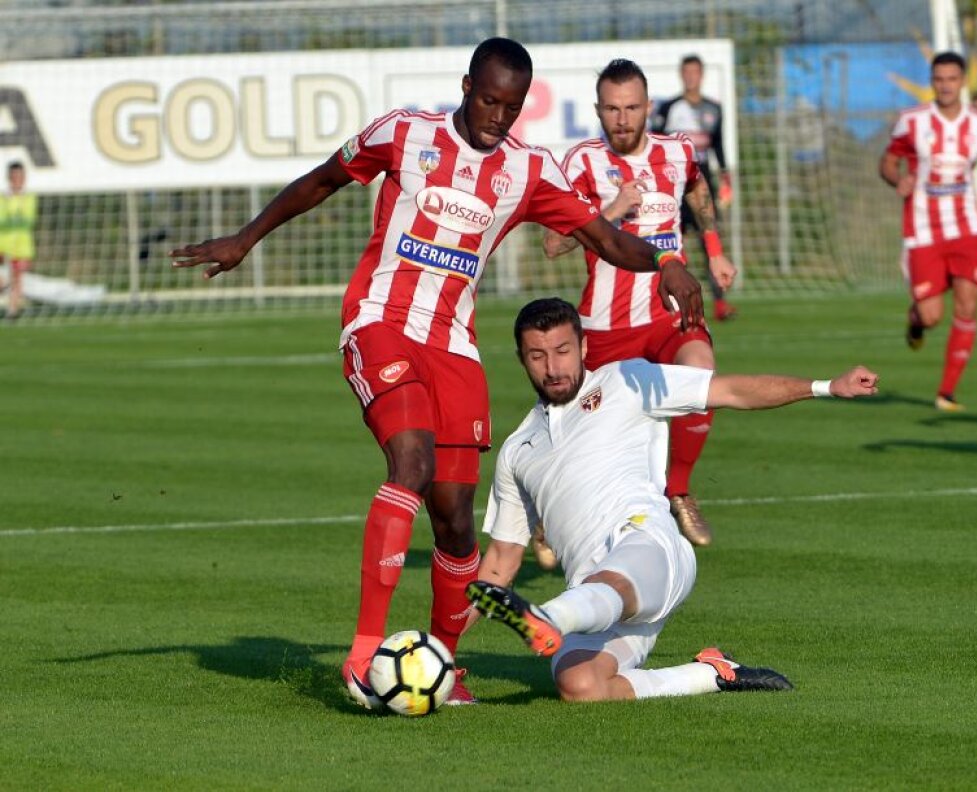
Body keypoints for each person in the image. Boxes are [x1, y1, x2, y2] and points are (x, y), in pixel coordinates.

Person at [170, 37, 704, 711]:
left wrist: (664, 262)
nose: (497, 116)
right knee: (411, 463)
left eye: (511, 107)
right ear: (465, 85)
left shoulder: (527, 170)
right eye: (487, 100)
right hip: (380, 321)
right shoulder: (404, 134)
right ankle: (364, 655)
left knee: (455, 519)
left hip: (453, 344)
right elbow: (322, 180)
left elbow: (603, 236)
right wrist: (245, 237)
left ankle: (447, 671)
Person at [465, 297, 879, 702]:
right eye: (537, 355)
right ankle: (711, 674)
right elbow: (501, 563)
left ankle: (550, 617)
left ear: (584, 347)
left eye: (562, 351)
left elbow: (731, 391)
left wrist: (826, 386)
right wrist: (444, 646)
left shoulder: (626, 380)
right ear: (521, 359)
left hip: (650, 550)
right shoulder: (517, 450)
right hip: (592, 598)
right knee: (581, 686)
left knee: (607, 583)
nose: (553, 367)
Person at [543, 59, 736, 548]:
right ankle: (543, 510)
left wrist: (714, 253)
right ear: (598, 109)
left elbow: (696, 187)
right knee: (574, 433)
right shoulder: (582, 162)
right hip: (606, 323)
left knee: (701, 377)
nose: (623, 119)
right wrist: (610, 212)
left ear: (649, 106)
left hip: (668, 314)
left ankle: (680, 490)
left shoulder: (677, 151)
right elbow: (553, 244)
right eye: (612, 108)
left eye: (632, 108)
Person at [879, 52, 977, 412]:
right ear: (932, 82)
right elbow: (888, 162)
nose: (946, 86)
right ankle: (915, 322)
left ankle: (947, 393)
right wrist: (898, 179)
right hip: (924, 230)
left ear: (963, 81)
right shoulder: (912, 122)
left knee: (968, 306)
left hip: (968, 228)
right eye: (939, 79)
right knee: (931, 315)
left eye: (952, 79)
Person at [651, 54, 738, 321]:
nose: (691, 77)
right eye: (686, 72)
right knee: (673, 242)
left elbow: (719, 145)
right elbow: (656, 144)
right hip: (675, 183)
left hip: (703, 184)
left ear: (701, 76)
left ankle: (720, 304)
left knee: (710, 241)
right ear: (681, 75)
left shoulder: (714, 109)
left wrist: (725, 175)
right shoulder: (669, 108)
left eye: (695, 72)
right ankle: (675, 300)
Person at [2, 162, 37, 318]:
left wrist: (12, 220)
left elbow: (29, 220)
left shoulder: (29, 197)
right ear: (9, 177)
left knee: (17, 277)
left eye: (21, 176)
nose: (18, 179)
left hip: (22, 246)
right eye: (15, 176)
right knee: (5, 279)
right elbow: (2, 220)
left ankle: (12, 311)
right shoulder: (3, 198)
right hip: (3, 244)